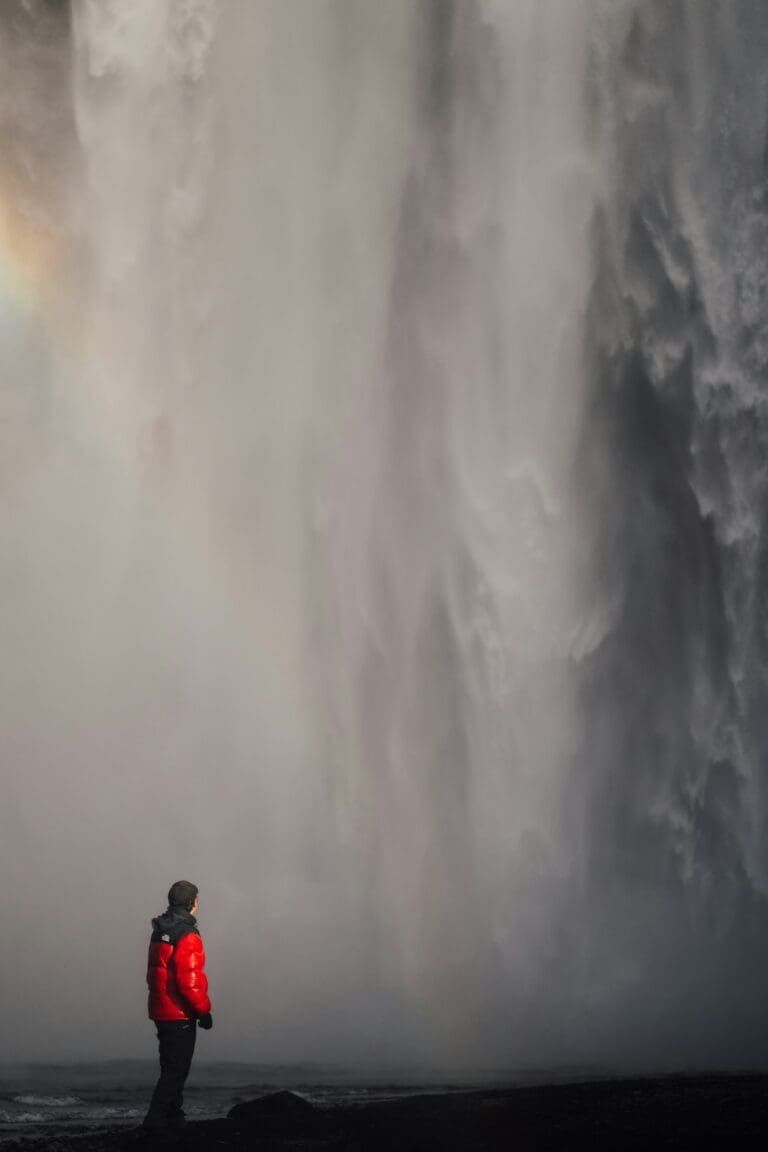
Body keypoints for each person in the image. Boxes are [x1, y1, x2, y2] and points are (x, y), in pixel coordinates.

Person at [142, 880, 213, 1132]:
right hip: (179, 1013)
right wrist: (203, 1012)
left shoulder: (160, 929)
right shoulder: (187, 934)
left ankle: (174, 1118)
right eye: (197, 899)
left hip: (161, 1010)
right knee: (176, 1072)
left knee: (170, 1067)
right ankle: (154, 1122)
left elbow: (156, 973)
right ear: (192, 902)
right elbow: (189, 981)